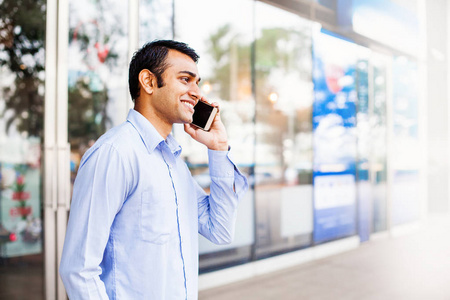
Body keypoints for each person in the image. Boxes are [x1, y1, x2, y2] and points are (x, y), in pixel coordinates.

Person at [59, 40, 248, 299]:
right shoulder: (115, 154)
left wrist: (218, 147)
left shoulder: (174, 163)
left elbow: (221, 230)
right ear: (148, 82)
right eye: (185, 79)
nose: (196, 92)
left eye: (197, 82)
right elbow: (78, 270)